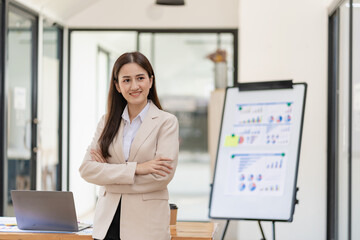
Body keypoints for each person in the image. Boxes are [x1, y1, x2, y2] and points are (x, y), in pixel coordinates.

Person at [79, 51, 179, 240]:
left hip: (146, 227)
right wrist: (139, 169)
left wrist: (108, 174)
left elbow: (161, 177)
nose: (134, 86)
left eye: (140, 78)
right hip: (106, 225)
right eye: (126, 80)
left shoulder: (166, 122)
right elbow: (86, 169)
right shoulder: (107, 121)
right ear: (117, 86)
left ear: (150, 80)